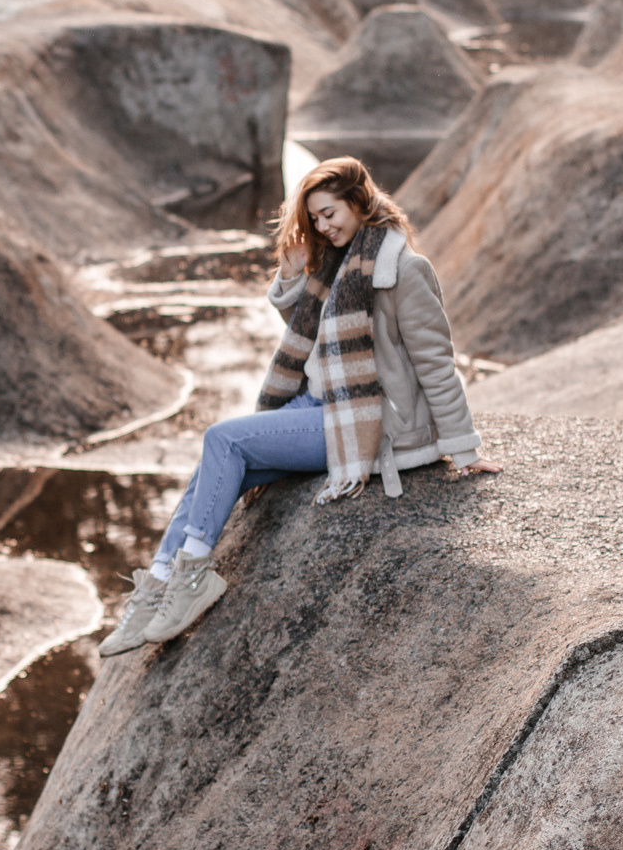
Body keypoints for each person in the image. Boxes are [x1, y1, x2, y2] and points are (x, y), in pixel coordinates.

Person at [99, 155, 501, 657]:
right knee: (213, 466)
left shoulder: (403, 268)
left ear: (360, 201)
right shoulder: (338, 260)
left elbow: (436, 361)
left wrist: (463, 448)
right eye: (314, 218)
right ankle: (158, 585)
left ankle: (193, 579)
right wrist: (291, 277)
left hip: (361, 419)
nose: (322, 225)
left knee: (222, 438)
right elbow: (315, 335)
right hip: (317, 401)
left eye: (329, 213)